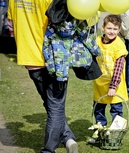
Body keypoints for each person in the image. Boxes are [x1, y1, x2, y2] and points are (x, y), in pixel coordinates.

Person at [7, 1, 80, 152]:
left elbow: (11, 24)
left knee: (50, 103)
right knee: (55, 106)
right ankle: (49, 149)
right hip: (53, 58)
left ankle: (67, 137)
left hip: (29, 58)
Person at [89, 14, 128, 143]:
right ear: (103, 27)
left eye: (115, 29)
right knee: (98, 110)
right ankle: (100, 134)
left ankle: (115, 137)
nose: (112, 32)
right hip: (100, 84)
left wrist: (113, 86)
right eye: (109, 28)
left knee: (116, 111)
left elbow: (118, 68)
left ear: (119, 30)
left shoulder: (119, 45)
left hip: (115, 87)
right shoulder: (97, 41)